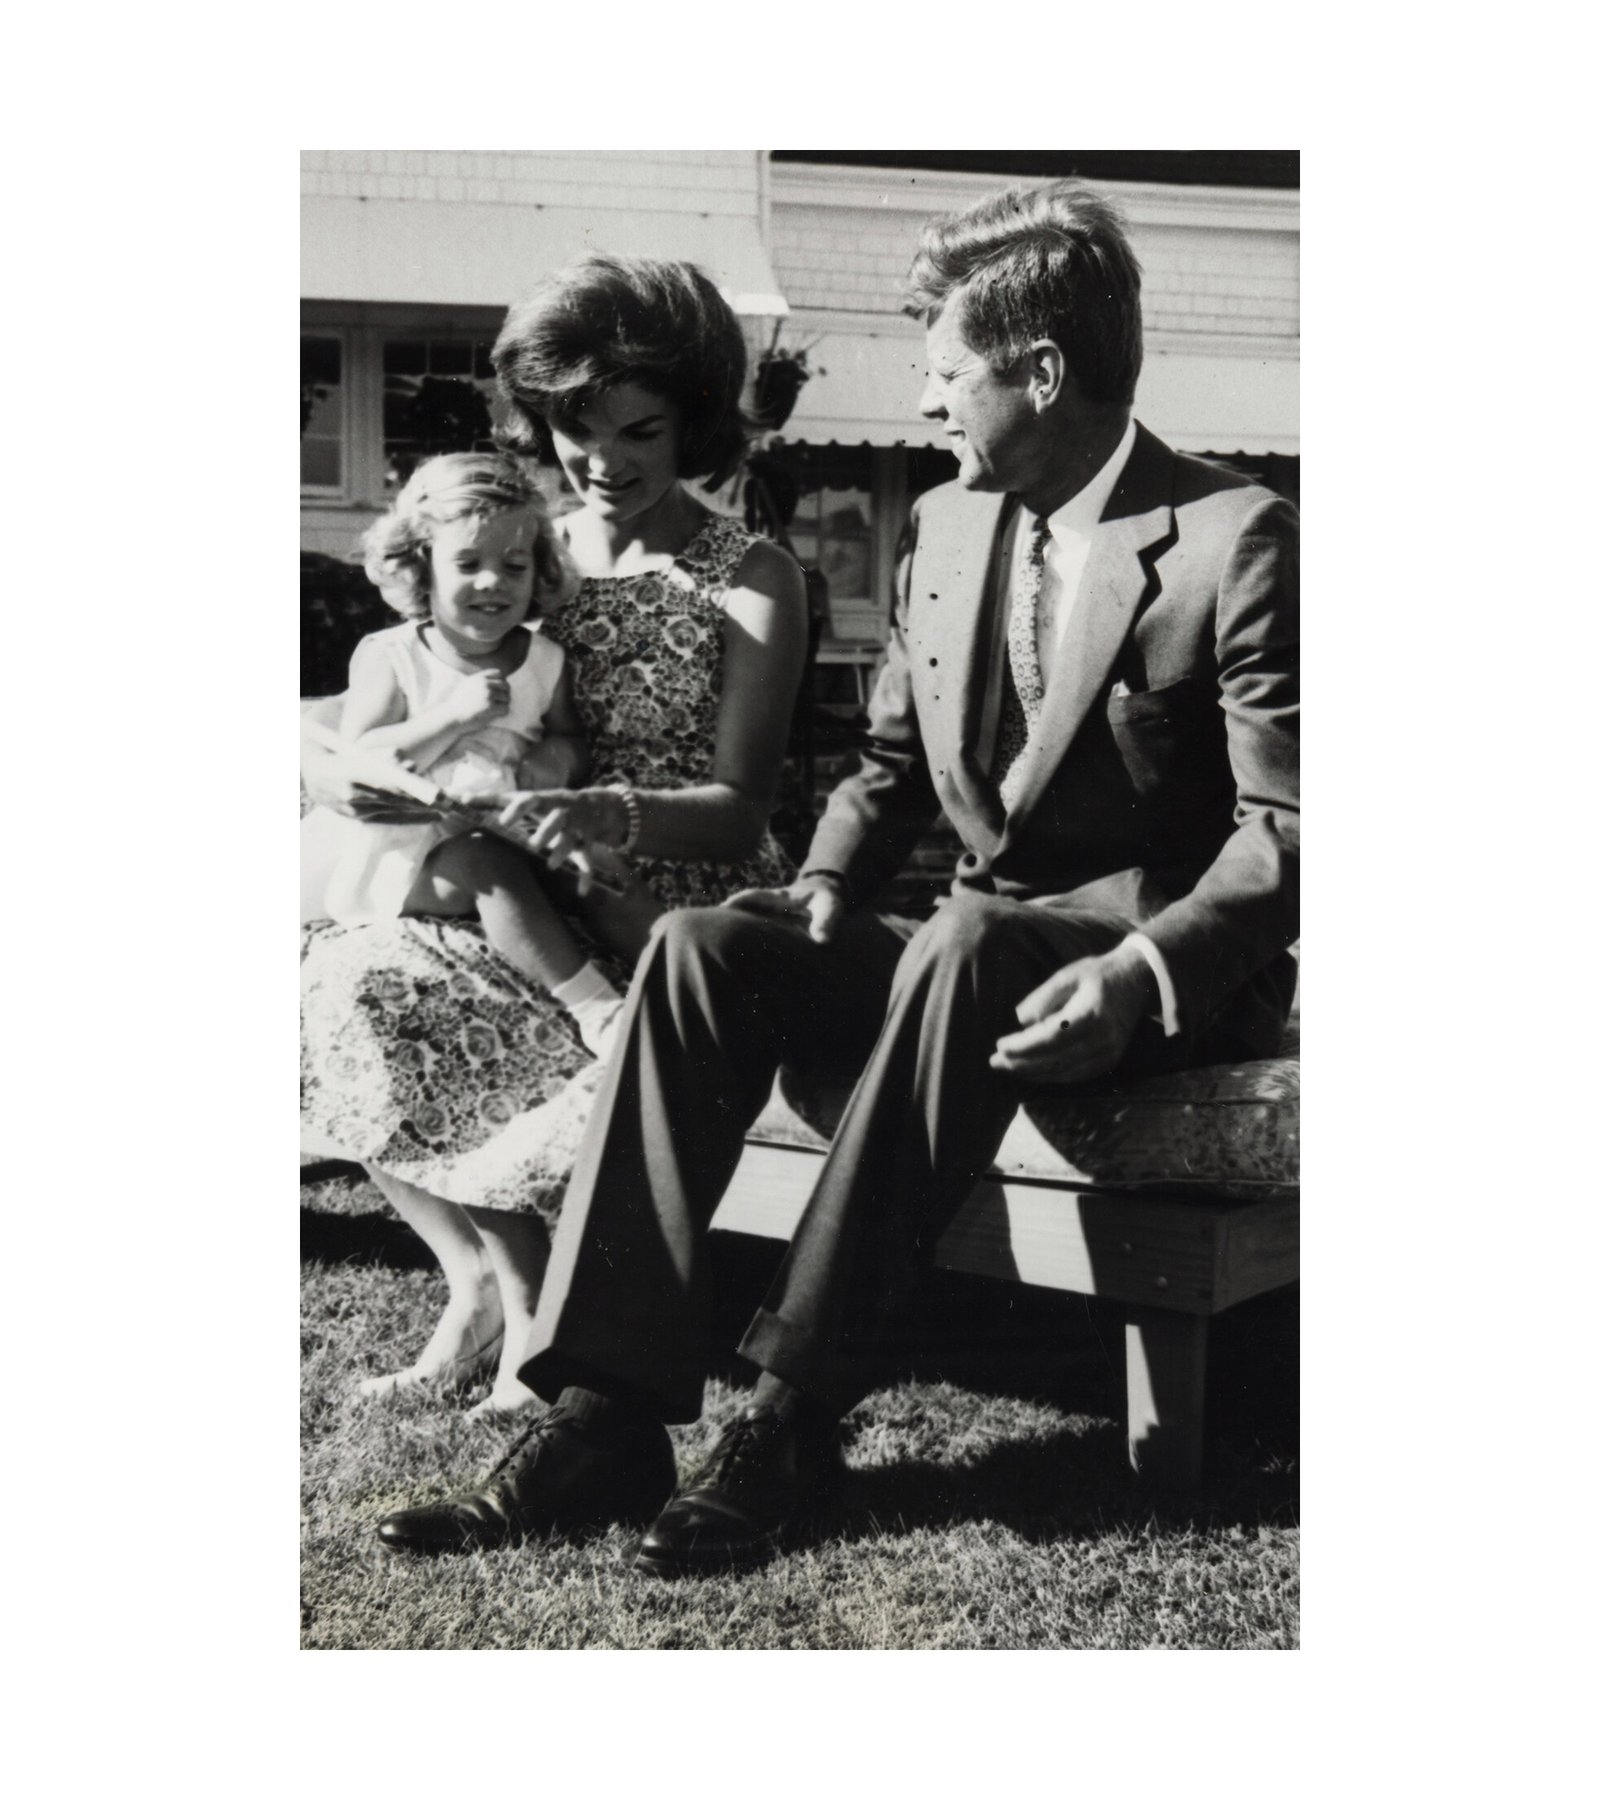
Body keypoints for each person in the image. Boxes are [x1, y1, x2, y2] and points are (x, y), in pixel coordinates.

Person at [374, 179, 1300, 1574]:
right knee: (700, 944)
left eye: (943, 374)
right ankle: (604, 1410)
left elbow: (1289, 828)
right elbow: (888, 765)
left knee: (962, 945)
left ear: (1038, 373)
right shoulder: (952, 523)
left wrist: (1143, 968)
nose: (926, 406)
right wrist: (821, 882)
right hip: (971, 955)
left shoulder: (1237, 536)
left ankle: (793, 1418)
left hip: (1141, 973)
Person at [301, 255, 807, 1413]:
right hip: (515, 864)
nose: (603, 463)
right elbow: (364, 704)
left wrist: (594, 811)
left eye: (638, 430)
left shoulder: (752, 573)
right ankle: (471, 1278)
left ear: (696, 423)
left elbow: (741, 805)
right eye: (575, 430)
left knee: (410, 978)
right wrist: (341, 784)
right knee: (335, 970)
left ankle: (541, 1313)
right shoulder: (521, 548)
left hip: (665, 885)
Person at [303, 450, 645, 1058]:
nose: (493, 582)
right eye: (467, 564)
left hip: (505, 817)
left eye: (514, 565)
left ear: (538, 572)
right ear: (420, 568)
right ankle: (596, 1006)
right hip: (409, 851)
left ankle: (673, 976)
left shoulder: (543, 660)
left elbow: (569, 739)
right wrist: (451, 717)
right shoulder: (393, 654)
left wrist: (556, 763)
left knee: (594, 864)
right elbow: (363, 756)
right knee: (489, 865)